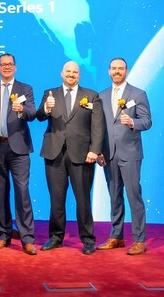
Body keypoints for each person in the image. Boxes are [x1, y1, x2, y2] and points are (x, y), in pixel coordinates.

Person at [36, 61, 104, 255]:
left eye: (75, 72)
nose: (71, 74)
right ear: (61, 73)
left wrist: (95, 150)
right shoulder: (50, 94)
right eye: (68, 71)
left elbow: (98, 126)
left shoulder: (91, 95)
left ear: (79, 75)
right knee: (56, 199)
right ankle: (56, 237)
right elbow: (40, 116)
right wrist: (47, 108)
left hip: (82, 155)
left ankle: (88, 239)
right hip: (54, 153)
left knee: (83, 199)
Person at [0, 53, 38, 255]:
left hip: (19, 149)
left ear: (15, 67)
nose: (6, 67)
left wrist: (21, 109)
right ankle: (3, 235)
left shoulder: (25, 89)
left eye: (10, 64)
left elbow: (32, 114)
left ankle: (27, 238)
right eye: (3, 64)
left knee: (22, 192)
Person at [97, 58, 152, 255]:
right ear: (109, 71)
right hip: (108, 154)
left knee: (133, 196)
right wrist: (99, 151)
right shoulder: (102, 96)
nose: (117, 71)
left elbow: (147, 121)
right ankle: (116, 237)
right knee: (114, 197)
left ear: (126, 71)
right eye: (114, 68)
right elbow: (99, 127)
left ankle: (139, 240)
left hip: (130, 153)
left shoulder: (138, 94)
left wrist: (133, 123)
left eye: (120, 69)